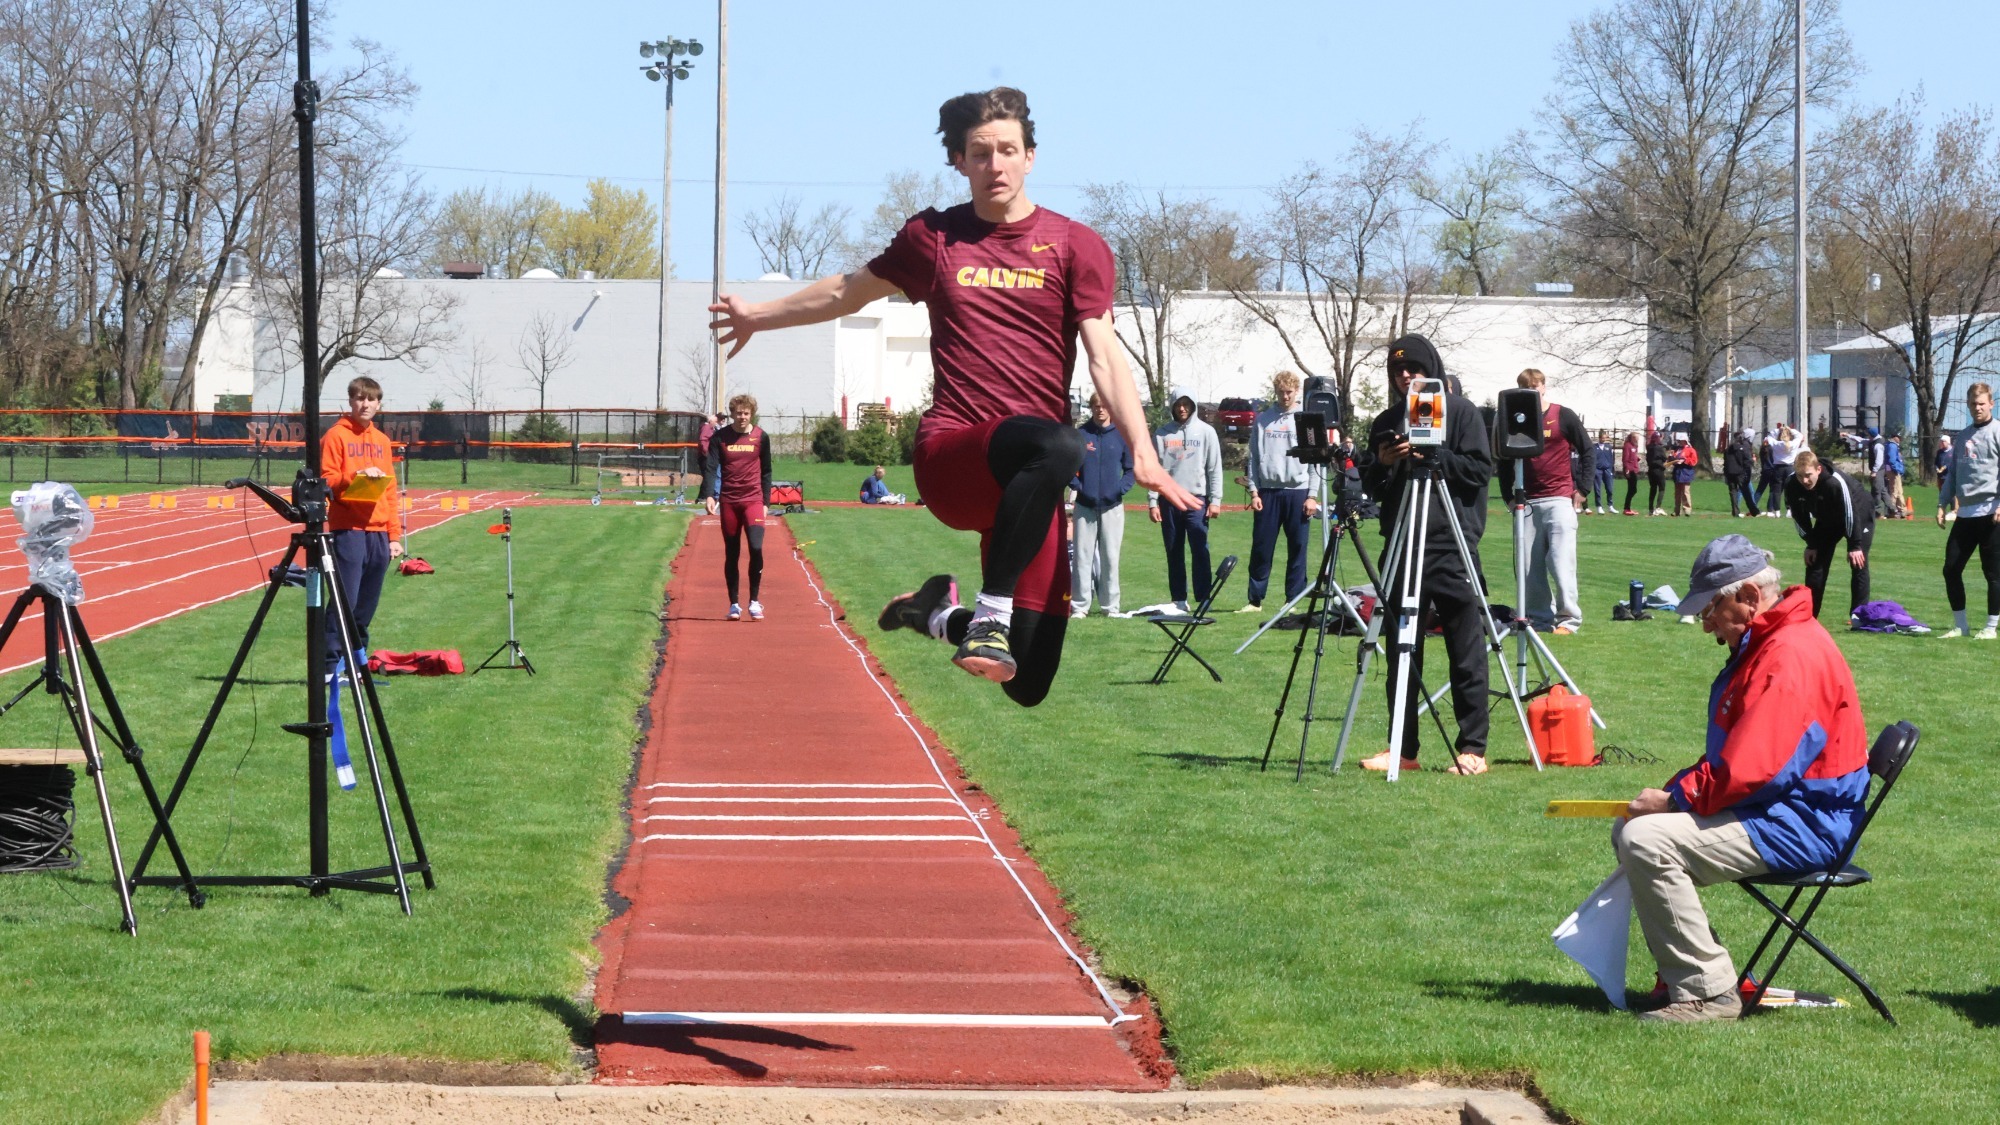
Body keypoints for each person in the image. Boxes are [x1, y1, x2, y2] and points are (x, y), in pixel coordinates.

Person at [707, 87, 1197, 700]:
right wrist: (758, 314)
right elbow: (846, 293)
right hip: (957, 455)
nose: (996, 165)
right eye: (980, 152)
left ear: (1031, 157)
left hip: (1035, 476)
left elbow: (1104, 355)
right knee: (1063, 442)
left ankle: (933, 614)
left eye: (1008, 150)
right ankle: (991, 614)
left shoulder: (1076, 246)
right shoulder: (934, 239)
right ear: (960, 162)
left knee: (1028, 679)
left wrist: (1143, 452)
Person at [1612, 534, 1868, 1022]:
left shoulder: (1787, 654)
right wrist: (1677, 791)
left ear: (1750, 597)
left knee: (1647, 838)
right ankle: (1692, 972)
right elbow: (1746, 760)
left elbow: (1754, 770)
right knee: (1631, 827)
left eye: (1711, 609)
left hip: (1805, 825)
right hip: (1787, 811)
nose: (1707, 625)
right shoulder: (1774, 641)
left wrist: (1674, 799)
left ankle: (1709, 994)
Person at [1360, 334, 1495, 776]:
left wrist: (1438, 456)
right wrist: (1383, 462)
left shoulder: (1462, 413)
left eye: (1414, 368)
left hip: (1451, 543)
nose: (1406, 376)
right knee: (1402, 650)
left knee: (1465, 649)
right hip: (1403, 542)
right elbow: (1373, 488)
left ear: (1431, 368)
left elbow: (1479, 471)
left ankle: (1472, 748)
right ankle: (1403, 748)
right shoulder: (1386, 420)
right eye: (1398, 370)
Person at [321, 376, 405, 667]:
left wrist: (394, 535)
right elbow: (326, 479)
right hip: (350, 530)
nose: (365, 404)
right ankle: (330, 667)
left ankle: (357, 666)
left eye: (370, 399)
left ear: (379, 404)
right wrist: (353, 478)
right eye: (359, 398)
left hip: (379, 532)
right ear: (350, 401)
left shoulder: (382, 441)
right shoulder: (336, 436)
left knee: (366, 607)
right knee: (345, 601)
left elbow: (390, 490)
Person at [1513, 369, 1589, 634]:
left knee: (1561, 562)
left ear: (1544, 387)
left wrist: (1583, 489)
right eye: (1526, 387)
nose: (1532, 391)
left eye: (1535, 386)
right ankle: (1538, 618)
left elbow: (1587, 449)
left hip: (1559, 498)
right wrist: (1511, 496)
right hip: (1527, 501)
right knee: (1528, 567)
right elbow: (1502, 456)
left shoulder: (1562, 415)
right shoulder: (1516, 419)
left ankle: (1569, 619)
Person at [1241, 371, 1322, 613]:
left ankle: (1293, 600)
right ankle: (1255, 601)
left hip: (1298, 491)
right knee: (1262, 548)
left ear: (1296, 391)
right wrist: (1254, 492)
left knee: (1297, 548)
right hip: (1268, 491)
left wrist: (1312, 495)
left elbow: (1316, 461)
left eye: (1289, 392)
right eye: (1281, 392)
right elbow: (1253, 458)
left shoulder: (1305, 419)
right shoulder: (1263, 419)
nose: (1285, 396)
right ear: (1275, 391)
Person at [1150, 388, 1223, 612]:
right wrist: (1153, 501)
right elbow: (1154, 471)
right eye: (1178, 404)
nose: (1182, 408)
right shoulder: (1162, 434)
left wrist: (1216, 499)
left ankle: (1203, 598)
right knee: (1174, 550)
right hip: (1169, 500)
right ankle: (1179, 599)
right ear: (1172, 406)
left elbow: (1214, 468)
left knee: (1200, 549)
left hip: (1196, 501)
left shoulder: (1207, 432)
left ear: (1192, 405)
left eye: (1186, 404)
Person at [702, 394, 774, 621]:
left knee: (755, 547)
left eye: (746, 413)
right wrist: (710, 496)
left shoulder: (761, 437)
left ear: (751, 414)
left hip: (753, 500)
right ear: (732, 414)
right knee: (732, 553)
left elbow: (767, 471)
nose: (742, 417)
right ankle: (734, 604)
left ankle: (754, 601)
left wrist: (765, 502)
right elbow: (711, 467)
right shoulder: (720, 438)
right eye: (738, 413)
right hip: (730, 501)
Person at [1937, 382, 2000, 639]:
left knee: (1993, 573)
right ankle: (1961, 626)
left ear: (1991, 404)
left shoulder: (1997, 431)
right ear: (1968, 405)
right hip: (1965, 514)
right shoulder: (1962, 436)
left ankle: (1990, 627)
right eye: (1973, 404)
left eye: (1982, 403)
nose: (1978, 408)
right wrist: (1942, 503)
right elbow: (1952, 475)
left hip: (1992, 512)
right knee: (1951, 568)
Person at [1784, 449, 1874, 622]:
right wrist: (1811, 543)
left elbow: (1850, 513)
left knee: (1858, 562)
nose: (1804, 480)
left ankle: (1858, 616)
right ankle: (1809, 617)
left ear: (1818, 470)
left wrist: (1854, 546)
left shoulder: (1834, 482)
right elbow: (1798, 516)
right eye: (1800, 475)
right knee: (1815, 563)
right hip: (1828, 518)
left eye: (1808, 475)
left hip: (1859, 512)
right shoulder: (1792, 484)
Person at [1070, 392, 1133, 618]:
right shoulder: (1081, 434)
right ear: (1091, 407)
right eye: (1096, 405)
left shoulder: (1121, 435)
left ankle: (1110, 607)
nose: (1100, 409)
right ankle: (1079, 606)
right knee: (1082, 557)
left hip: (1112, 506)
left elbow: (1131, 469)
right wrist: (1077, 485)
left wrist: (1119, 490)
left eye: (1105, 405)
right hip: (1085, 506)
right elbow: (1068, 465)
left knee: (1110, 557)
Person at [1723, 428, 1760, 518]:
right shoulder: (1743, 448)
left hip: (1730, 472)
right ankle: (1754, 511)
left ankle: (1735, 512)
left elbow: (1726, 461)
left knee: (1733, 492)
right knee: (1746, 492)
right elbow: (1747, 462)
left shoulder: (1728, 449)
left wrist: (1726, 473)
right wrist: (1752, 462)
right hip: (1740, 473)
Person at [1590, 430, 1616, 515]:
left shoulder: (1608, 447)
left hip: (1607, 470)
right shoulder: (1594, 447)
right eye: (1603, 438)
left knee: (1610, 488)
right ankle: (1599, 506)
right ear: (1599, 438)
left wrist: (1611, 469)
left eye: (1605, 438)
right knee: (1597, 489)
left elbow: (1611, 459)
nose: (1604, 439)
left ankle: (1610, 506)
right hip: (1597, 470)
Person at [1671, 434, 1698, 516]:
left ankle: (1687, 510)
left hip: (1686, 472)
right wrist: (1672, 459)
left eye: (1681, 441)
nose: (1679, 442)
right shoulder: (1678, 449)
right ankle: (1677, 510)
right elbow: (1674, 458)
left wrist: (1685, 460)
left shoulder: (1691, 450)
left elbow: (1694, 461)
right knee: (1677, 493)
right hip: (1678, 472)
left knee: (1685, 492)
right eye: (1679, 441)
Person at [1644, 431, 1668, 516]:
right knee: (1662, 488)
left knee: (1653, 488)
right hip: (1658, 470)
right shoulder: (1659, 448)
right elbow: (1664, 458)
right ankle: (1658, 507)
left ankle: (1651, 508)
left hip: (1651, 470)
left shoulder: (1649, 447)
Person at [1885, 432, 1907, 518]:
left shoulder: (1892, 446)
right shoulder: (1892, 446)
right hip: (1893, 471)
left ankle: (1902, 509)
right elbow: (1892, 460)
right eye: (1899, 437)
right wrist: (1896, 469)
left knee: (1898, 491)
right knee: (1894, 490)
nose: (1900, 439)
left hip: (1893, 470)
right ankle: (1892, 510)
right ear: (1895, 437)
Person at [1621, 431, 1642, 515]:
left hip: (1635, 469)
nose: (1638, 439)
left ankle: (1627, 508)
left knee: (1632, 489)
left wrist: (1637, 458)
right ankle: (1626, 508)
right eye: (1637, 437)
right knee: (1632, 489)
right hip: (1630, 470)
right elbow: (1625, 459)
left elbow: (1632, 457)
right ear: (1633, 438)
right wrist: (1627, 469)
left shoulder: (1635, 446)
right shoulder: (1627, 446)